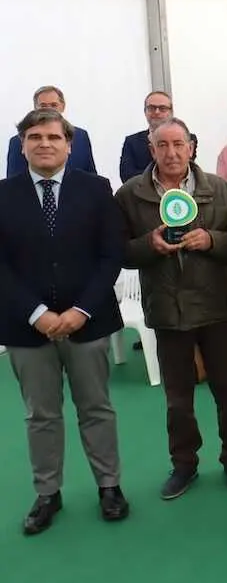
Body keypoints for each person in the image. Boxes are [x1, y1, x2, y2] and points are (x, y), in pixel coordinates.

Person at [0, 108, 127, 534]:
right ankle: (47, 494)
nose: (44, 144)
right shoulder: (4, 194)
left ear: (69, 144)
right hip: (25, 327)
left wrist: (79, 311)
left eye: (53, 136)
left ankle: (109, 486)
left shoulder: (96, 189)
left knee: (97, 409)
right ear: (23, 145)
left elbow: (111, 255)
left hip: (86, 323)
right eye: (34, 137)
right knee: (41, 416)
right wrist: (37, 313)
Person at [115, 117, 227, 500]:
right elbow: (120, 250)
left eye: (179, 144)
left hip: (216, 307)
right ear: (151, 148)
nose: (172, 153)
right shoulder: (130, 195)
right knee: (177, 398)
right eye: (163, 145)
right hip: (167, 310)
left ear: (191, 146)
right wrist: (149, 246)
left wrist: (211, 240)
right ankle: (184, 464)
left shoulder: (221, 190)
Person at [6, 86, 97, 179]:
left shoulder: (81, 136)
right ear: (35, 108)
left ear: (63, 106)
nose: (49, 109)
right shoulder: (17, 141)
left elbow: (90, 172)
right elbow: (13, 179)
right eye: (43, 106)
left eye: (54, 105)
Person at [120, 91, 197, 182]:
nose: (157, 112)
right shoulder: (132, 142)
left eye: (162, 108)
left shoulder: (187, 138)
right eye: (151, 108)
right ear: (145, 112)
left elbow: (184, 170)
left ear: (171, 112)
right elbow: (127, 175)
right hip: (142, 193)